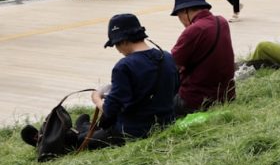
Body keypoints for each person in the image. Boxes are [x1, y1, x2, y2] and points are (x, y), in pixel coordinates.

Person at [21, 14, 178, 150]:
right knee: (88, 125)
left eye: (115, 44)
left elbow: (110, 110)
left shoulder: (124, 66)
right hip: (165, 124)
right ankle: (81, 127)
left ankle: (46, 139)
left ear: (123, 41)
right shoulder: (166, 56)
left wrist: (96, 98)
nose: (117, 49)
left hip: (132, 130)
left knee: (80, 140)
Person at [169, 0, 236, 115]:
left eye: (178, 15)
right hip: (226, 96)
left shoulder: (193, 30)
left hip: (197, 101)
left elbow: (171, 66)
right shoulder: (221, 21)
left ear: (184, 11)